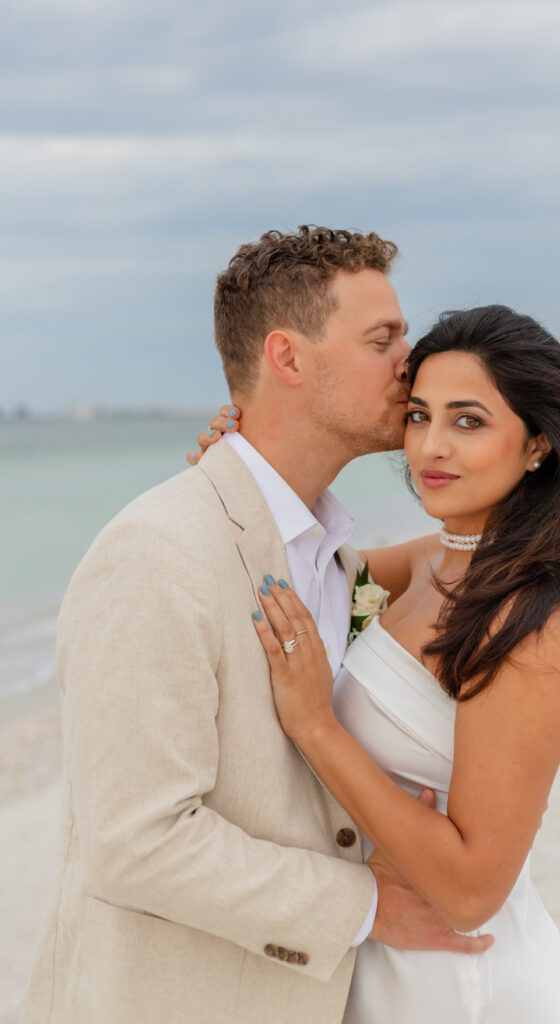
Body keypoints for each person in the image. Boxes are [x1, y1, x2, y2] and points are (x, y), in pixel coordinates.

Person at [22, 227, 491, 1024]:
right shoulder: (156, 554)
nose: (410, 361)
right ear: (287, 358)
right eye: (384, 339)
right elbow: (137, 843)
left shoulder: (334, 560)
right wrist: (364, 905)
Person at [199, 304, 560, 1022]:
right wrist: (241, 471)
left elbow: (471, 890)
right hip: (381, 954)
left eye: (469, 421)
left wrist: (317, 726)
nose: (430, 447)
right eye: (419, 416)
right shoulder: (437, 560)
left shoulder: (539, 619)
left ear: (537, 446)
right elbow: (280, 575)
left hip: (462, 980)